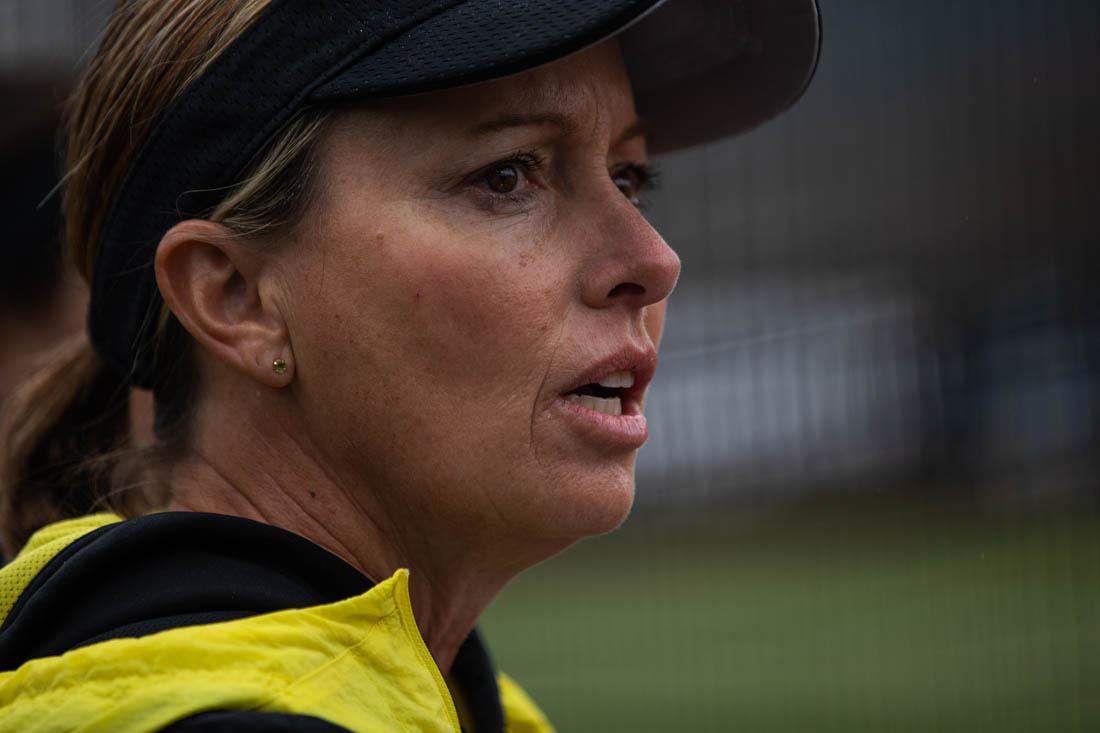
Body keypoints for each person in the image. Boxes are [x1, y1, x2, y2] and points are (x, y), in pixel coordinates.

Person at [0, 1, 819, 730]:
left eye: (628, 178)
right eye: (507, 175)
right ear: (236, 296)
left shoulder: (435, 696)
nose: (654, 259)